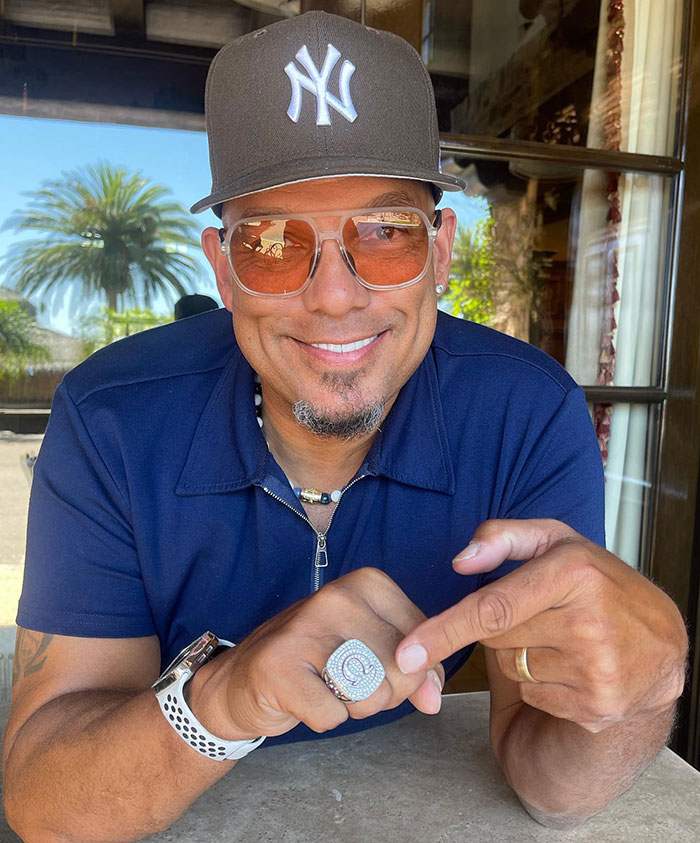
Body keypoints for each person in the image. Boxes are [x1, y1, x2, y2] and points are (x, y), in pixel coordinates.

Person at [2, 11, 687, 841]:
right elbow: (45, 798)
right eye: (273, 242)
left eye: (385, 233)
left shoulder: (525, 413)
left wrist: (640, 697)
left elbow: (548, 781)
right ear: (224, 271)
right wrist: (228, 694)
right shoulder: (112, 418)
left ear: (441, 254)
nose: (333, 295)